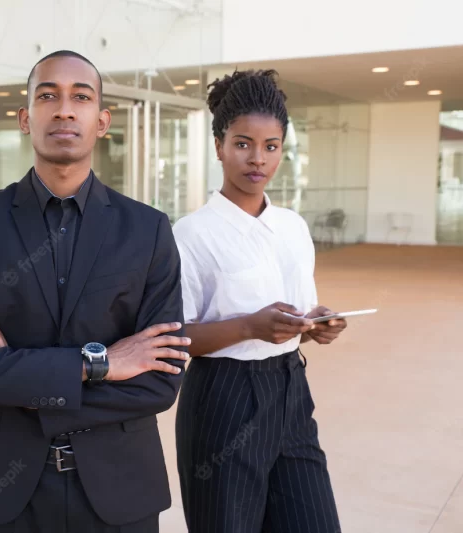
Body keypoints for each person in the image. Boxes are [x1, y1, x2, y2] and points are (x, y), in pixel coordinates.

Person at [0, 50, 190, 533]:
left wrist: (18, 379)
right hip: (2, 489)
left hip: (118, 490)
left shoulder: (148, 229)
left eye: (81, 97)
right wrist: (101, 365)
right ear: (26, 119)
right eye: (48, 95)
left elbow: (160, 378)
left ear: (102, 121)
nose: (64, 108)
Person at [173, 69, 347, 533]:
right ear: (219, 145)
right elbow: (173, 337)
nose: (258, 159)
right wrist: (249, 327)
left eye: (271, 146)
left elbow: (301, 309)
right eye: (243, 143)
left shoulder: (293, 227)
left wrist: (319, 322)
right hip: (223, 400)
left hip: (291, 392)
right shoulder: (190, 236)